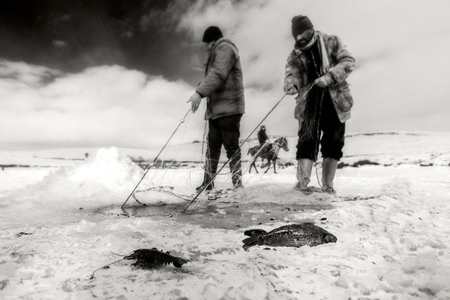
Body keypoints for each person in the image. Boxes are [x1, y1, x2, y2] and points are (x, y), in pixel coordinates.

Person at [283, 15, 355, 194]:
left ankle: (327, 185)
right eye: (296, 36)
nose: (300, 38)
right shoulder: (294, 55)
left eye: (303, 34)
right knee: (306, 143)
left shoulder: (331, 42)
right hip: (309, 104)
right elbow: (291, 74)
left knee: (333, 143)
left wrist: (330, 77)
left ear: (311, 30)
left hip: (335, 102)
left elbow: (348, 61)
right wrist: (290, 84)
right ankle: (302, 184)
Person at [188, 26, 245, 192]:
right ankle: (208, 183)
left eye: (207, 44)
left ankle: (238, 186)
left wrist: (199, 93)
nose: (206, 47)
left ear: (212, 41)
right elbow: (210, 78)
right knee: (212, 148)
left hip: (229, 108)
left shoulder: (225, 48)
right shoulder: (218, 51)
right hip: (216, 110)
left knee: (231, 147)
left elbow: (218, 74)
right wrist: (201, 90)